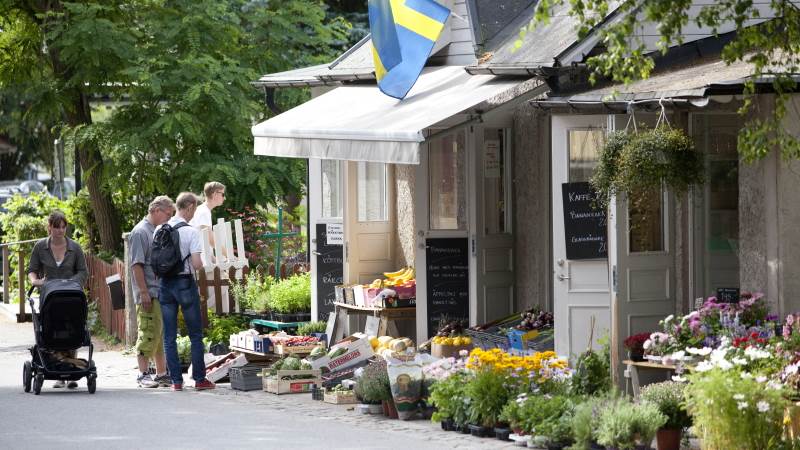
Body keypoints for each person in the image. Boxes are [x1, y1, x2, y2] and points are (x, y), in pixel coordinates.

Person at [157, 192, 215, 391]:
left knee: (169, 336)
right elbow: (197, 264)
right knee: (195, 334)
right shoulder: (191, 232)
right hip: (184, 283)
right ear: (189, 207)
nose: (194, 214)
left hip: (165, 284)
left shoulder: (160, 229)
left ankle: (176, 381)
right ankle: (199, 380)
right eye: (194, 209)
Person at [27, 210, 88, 389]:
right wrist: (35, 281)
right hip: (50, 295)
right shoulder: (40, 247)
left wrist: (70, 283)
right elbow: (32, 269)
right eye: (56, 227)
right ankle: (59, 372)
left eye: (63, 227)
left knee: (72, 325)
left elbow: (83, 272)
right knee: (53, 326)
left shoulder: (75, 247)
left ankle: (72, 369)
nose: (60, 231)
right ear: (50, 228)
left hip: (71, 295)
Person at [129, 195, 174, 388]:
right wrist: (144, 292)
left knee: (159, 333)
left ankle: (162, 373)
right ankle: (142, 374)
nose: (169, 219)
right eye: (168, 214)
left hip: (159, 291)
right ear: (156, 210)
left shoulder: (156, 230)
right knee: (148, 332)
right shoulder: (140, 232)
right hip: (148, 293)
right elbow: (136, 265)